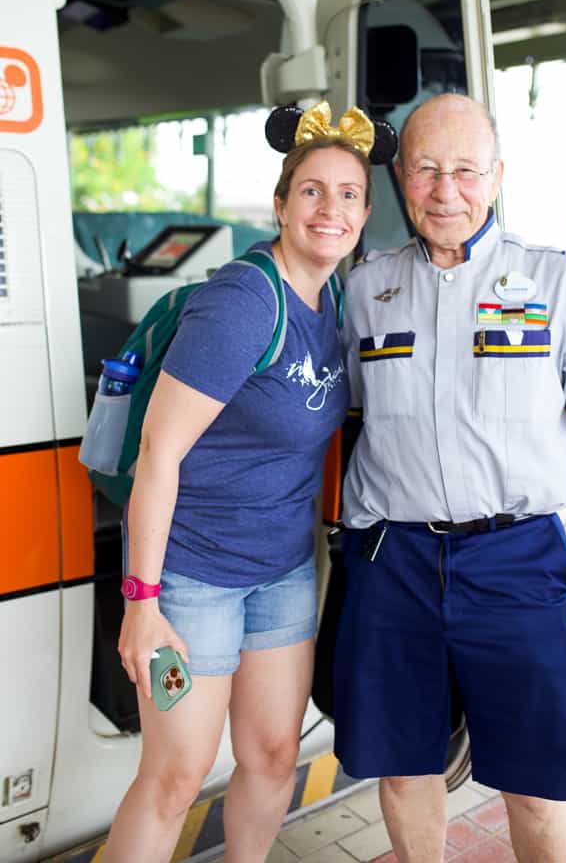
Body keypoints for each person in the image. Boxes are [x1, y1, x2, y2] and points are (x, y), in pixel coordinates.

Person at [333, 93, 566, 863]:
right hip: (390, 563)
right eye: (427, 170)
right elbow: (333, 418)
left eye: (466, 171)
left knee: (537, 783)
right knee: (405, 771)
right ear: (401, 178)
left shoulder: (556, 282)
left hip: (514, 562)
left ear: (497, 175)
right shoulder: (365, 288)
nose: (446, 191)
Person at [104, 101, 396, 863]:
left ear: (364, 212)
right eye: (310, 190)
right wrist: (142, 603)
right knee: (174, 777)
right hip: (193, 578)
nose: (328, 208)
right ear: (279, 203)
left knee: (270, 757)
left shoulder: (334, 296)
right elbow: (158, 456)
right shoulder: (243, 302)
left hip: (282, 574)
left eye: (347, 194)